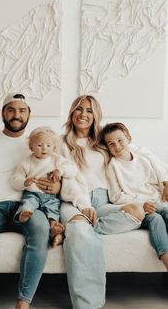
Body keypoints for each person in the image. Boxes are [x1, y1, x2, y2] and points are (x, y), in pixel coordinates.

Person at [0, 94, 60, 309]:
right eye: (11, 110)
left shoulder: (40, 143)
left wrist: (57, 187)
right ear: (2, 113)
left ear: (29, 114)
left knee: (40, 228)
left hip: (28, 204)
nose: (16, 115)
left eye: (22, 110)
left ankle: (24, 301)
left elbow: (61, 172)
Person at [59, 94, 145, 309]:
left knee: (136, 211)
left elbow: (135, 154)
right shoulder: (61, 143)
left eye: (89, 110)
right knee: (79, 231)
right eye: (79, 109)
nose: (83, 114)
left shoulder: (103, 142)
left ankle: (88, 231)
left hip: (104, 200)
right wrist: (83, 204)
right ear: (72, 112)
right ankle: (88, 305)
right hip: (74, 201)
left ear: (96, 115)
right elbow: (67, 179)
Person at [100, 121, 168, 270]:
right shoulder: (113, 166)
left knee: (165, 211)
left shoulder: (143, 160)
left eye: (120, 140)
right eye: (111, 144)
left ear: (128, 139)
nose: (117, 146)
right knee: (155, 219)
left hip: (156, 202)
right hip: (141, 209)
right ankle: (165, 258)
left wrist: (162, 189)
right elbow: (116, 197)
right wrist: (142, 204)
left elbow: (156, 183)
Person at [12, 126, 77, 246]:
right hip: (33, 193)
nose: (44, 148)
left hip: (51, 197)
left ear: (54, 147)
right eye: (39, 145)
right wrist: (25, 182)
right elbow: (15, 179)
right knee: (28, 202)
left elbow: (73, 169)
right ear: (31, 147)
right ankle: (24, 213)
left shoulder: (56, 159)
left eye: (48, 145)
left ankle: (54, 226)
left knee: (53, 210)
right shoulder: (25, 162)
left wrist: (60, 170)